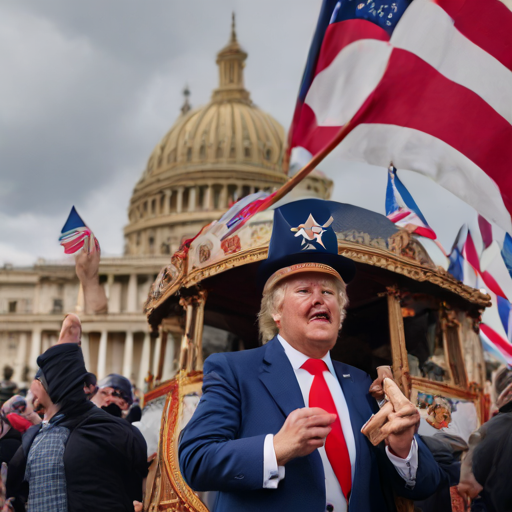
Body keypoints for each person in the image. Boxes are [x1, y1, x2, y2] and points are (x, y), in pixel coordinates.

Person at [179, 199, 445, 512]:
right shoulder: (233, 371)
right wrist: (276, 448)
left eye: (329, 292)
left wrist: (402, 448)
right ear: (277, 311)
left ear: (340, 312)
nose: (319, 299)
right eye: (304, 291)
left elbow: (426, 484)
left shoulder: (360, 382)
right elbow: (195, 460)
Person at [6, 341, 148, 512]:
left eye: (39, 380)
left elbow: (11, 487)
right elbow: (138, 491)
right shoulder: (128, 431)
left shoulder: (40, 440)